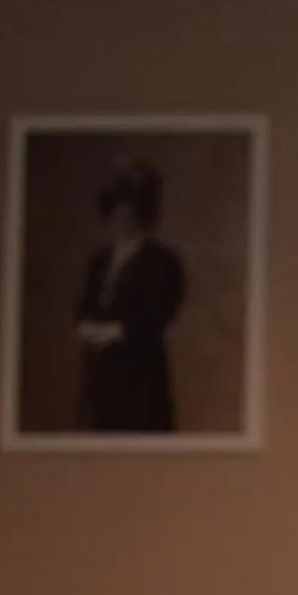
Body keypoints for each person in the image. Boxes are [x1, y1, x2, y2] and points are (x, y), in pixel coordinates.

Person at [75, 158, 185, 432]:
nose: (121, 217)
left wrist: (119, 331)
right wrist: (85, 326)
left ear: (143, 214)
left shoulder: (162, 261)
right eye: (116, 209)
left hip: (140, 373)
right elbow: (83, 304)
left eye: (130, 210)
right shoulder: (99, 260)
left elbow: (161, 312)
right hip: (98, 372)